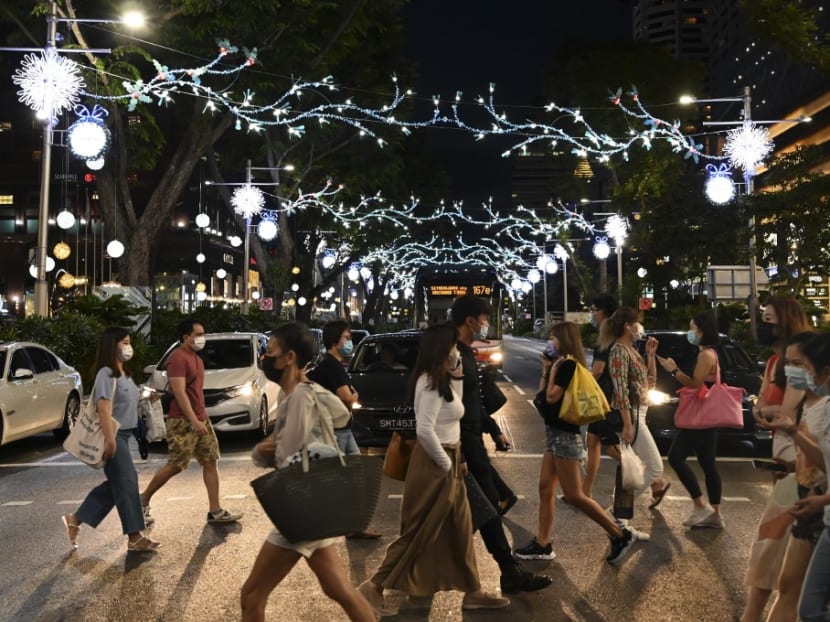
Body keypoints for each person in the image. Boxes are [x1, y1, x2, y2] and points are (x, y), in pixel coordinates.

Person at [357, 323, 509, 616]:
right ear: (442, 350)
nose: (457, 352)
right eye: (453, 347)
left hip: (449, 457)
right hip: (433, 463)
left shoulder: (444, 381)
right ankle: (374, 586)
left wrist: (459, 375)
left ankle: (473, 592)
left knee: (462, 528)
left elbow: (456, 416)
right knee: (419, 532)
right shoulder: (428, 384)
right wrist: (446, 462)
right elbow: (425, 431)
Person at [240, 323, 376, 622]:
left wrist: (264, 451)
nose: (266, 357)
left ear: (289, 357)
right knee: (339, 589)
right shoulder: (298, 392)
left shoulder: (299, 395)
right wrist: (267, 450)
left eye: (270, 351)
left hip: (301, 509)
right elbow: (336, 417)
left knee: (252, 595)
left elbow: (287, 453)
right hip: (315, 504)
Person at [450, 294, 552, 593]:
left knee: (492, 505)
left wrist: (493, 429)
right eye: (483, 319)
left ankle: (463, 561)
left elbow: (469, 403)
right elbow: (449, 405)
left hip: (472, 441)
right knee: (489, 508)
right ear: (470, 320)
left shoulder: (466, 352)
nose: (485, 325)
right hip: (463, 445)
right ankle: (508, 569)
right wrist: (457, 449)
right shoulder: (452, 353)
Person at [515, 322, 640, 565]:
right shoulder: (558, 366)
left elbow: (551, 397)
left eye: (553, 338)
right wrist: (546, 369)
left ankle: (619, 534)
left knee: (574, 495)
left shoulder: (567, 365)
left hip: (564, 437)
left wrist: (552, 371)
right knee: (545, 489)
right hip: (554, 436)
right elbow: (541, 401)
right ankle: (542, 543)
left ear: (563, 339)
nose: (550, 342)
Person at [741, 296, 811, 622]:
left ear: (786, 321)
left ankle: (753, 614)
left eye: (769, 321)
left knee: (771, 540)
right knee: (783, 546)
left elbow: (787, 414)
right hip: (783, 459)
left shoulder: (798, 362)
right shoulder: (774, 361)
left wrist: (765, 411)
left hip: (798, 461)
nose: (763, 327)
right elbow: (766, 403)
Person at [61, 327, 160, 552]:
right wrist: (110, 440)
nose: (129, 346)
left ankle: (75, 518)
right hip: (114, 435)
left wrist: (148, 396)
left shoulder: (125, 373)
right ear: (112, 345)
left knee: (117, 484)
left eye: (129, 342)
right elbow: (103, 409)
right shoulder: (106, 374)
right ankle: (135, 537)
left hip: (126, 435)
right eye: (124, 342)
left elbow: (129, 400)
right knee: (127, 482)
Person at [140, 318, 241, 525]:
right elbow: (179, 391)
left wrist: (200, 417)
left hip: (200, 417)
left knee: (211, 460)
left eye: (202, 334)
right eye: (198, 334)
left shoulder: (197, 359)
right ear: (186, 337)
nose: (201, 338)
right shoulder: (178, 358)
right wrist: (193, 419)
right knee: (176, 465)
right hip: (183, 421)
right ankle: (142, 499)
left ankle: (215, 511)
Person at [760, 333, 828, 622]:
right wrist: (791, 466)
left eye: (798, 363)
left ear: (823, 370)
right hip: (810, 504)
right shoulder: (809, 406)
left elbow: (824, 460)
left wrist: (793, 432)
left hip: (819, 506)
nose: (791, 370)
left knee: (806, 602)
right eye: (787, 363)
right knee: (790, 587)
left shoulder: (825, 408)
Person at [307, 318, 380, 540]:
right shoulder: (331, 365)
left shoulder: (334, 365)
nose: (350, 342)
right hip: (335, 431)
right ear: (335, 341)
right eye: (347, 338)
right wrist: (354, 396)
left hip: (343, 429)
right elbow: (348, 396)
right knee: (335, 478)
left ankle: (355, 526)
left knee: (354, 475)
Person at [658, 310, 724, 528]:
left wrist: (673, 369)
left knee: (676, 458)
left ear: (701, 331)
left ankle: (700, 505)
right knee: (707, 463)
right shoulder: (711, 353)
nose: (690, 332)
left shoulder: (706, 355)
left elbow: (695, 384)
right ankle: (714, 513)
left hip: (700, 417)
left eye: (692, 327)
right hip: (708, 417)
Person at [607, 307, 669, 525]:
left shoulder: (632, 350)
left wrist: (650, 356)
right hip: (631, 415)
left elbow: (649, 382)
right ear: (627, 325)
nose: (640, 327)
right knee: (654, 467)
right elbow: (620, 389)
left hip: (640, 412)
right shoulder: (618, 351)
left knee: (635, 469)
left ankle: (620, 522)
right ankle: (617, 512)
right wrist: (627, 423)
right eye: (637, 323)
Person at [584, 294, 619, 498]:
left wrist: (578, 382)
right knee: (592, 441)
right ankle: (585, 491)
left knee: (612, 449)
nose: (592, 313)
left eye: (595, 309)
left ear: (603, 312)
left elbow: (597, 370)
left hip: (604, 399)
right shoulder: (613, 336)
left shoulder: (604, 340)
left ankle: (655, 479)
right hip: (603, 397)